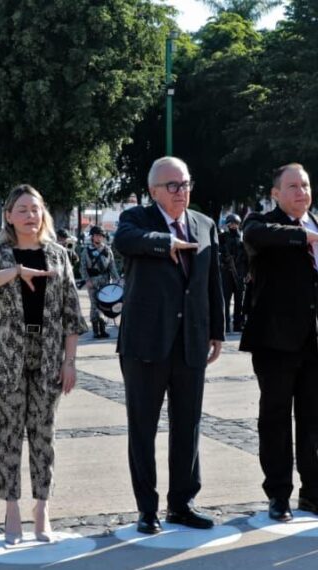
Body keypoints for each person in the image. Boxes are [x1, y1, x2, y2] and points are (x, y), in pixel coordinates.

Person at [0, 184, 86, 545]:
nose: (30, 216)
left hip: (48, 355)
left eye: (35, 209)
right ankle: (12, 508)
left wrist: (70, 362)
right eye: (22, 209)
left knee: (43, 435)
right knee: (8, 435)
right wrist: (16, 271)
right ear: (8, 216)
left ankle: (42, 507)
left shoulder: (57, 254)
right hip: (7, 357)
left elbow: (71, 314)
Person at [113, 156, 225, 535]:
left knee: (187, 425)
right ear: (153, 191)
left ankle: (183, 503)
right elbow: (125, 241)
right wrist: (166, 243)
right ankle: (147, 508)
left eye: (187, 183)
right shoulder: (136, 220)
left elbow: (213, 282)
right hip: (146, 343)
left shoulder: (205, 224)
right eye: (173, 186)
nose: (182, 192)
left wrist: (217, 331)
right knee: (142, 427)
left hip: (191, 341)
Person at [241, 163, 318, 521]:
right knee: (275, 419)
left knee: (315, 419)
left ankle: (313, 492)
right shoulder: (258, 224)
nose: (301, 192)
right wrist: (300, 237)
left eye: (305, 185)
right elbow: (259, 238)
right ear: (275, 193)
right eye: (292, 186)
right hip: (275, 341)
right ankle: (278, 494)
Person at [81, 225, 120, 338]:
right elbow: (83, 267)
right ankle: (95, 330)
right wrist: (87, 280)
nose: (99, 238)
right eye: (96, 236)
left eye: (101, 236)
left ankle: (103, 330)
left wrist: (116, 278)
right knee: (94, 305)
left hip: (105, 281)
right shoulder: (86, 251)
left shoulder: (107, 250)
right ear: (92, 237)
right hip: (92, 281)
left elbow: (112, 266)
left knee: (104, 305)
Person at [219, 214, 248, 333]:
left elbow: (247, 257)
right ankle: (225, 326)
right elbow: (218, 252)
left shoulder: (242, 238)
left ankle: (237, 325)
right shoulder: (222, 237)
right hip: (226, 273)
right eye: (231, 223)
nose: (233, 225)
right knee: (225, 300)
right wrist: (223, 260)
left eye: (235, 223)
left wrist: (248, 272)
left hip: (240, 274)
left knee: (239, 301)